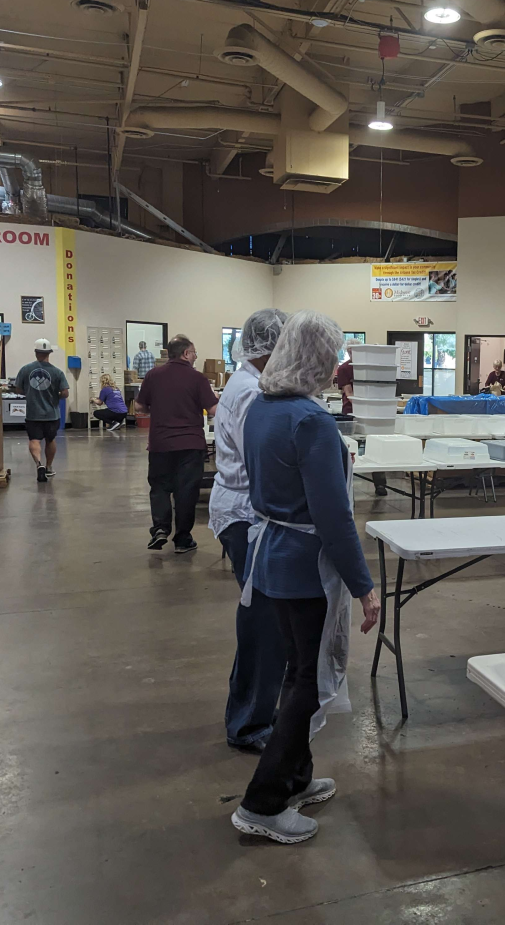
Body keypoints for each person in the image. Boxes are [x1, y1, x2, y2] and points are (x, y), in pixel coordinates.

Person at [229, 310, 380, 845]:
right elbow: (333, 516)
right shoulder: (310, 421)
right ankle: (263, 802)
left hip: (272, 554)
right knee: (306, 683)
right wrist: (364, 586)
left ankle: (296, 777)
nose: (337, 365)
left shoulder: (261, 408)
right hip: (305, 566)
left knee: (297, 671)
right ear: (317, 359)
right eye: (333, 356)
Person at [210, 309, 288, 752]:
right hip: (245, 515)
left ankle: (258, 710)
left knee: (268, 621)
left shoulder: (250, 383)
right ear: (269, 347)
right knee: (263, 623)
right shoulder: (250, 392)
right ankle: (247, 724)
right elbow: (261, 460)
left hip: (245, 510)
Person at [134, 335, 218, 553]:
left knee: (160, 487)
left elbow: (139, 407)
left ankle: (160, 529)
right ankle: (182, 539)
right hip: (190, 444)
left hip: (160, 443)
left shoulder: (153, 375)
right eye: (194, 352)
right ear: (186, 354)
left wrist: (158, 408)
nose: (195, 356)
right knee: (186, 491)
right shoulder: (197, 378)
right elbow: (213, 409)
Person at [333, 339, 387, 497]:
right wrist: (365, 404)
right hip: (351, 412)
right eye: (350, 351)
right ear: (348, 352)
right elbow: (348, 392)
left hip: (372, 412)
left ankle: (380, 484)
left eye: (356, 351)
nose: (353, 354)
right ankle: (346, 482)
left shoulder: (370, 368)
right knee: (348, 445)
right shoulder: (344, 368)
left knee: (375, 444)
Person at [14, 338, 70, 483]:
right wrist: (56, 395)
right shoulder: (57, 372)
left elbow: (18, 389)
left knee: (34, 440)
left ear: (35, 352)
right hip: (52, 414)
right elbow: (65, 393)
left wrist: (30, 393)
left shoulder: (25, 369)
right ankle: (49, 466)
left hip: (33, 414)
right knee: (50, 440)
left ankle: (39, 464)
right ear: (49, 353)